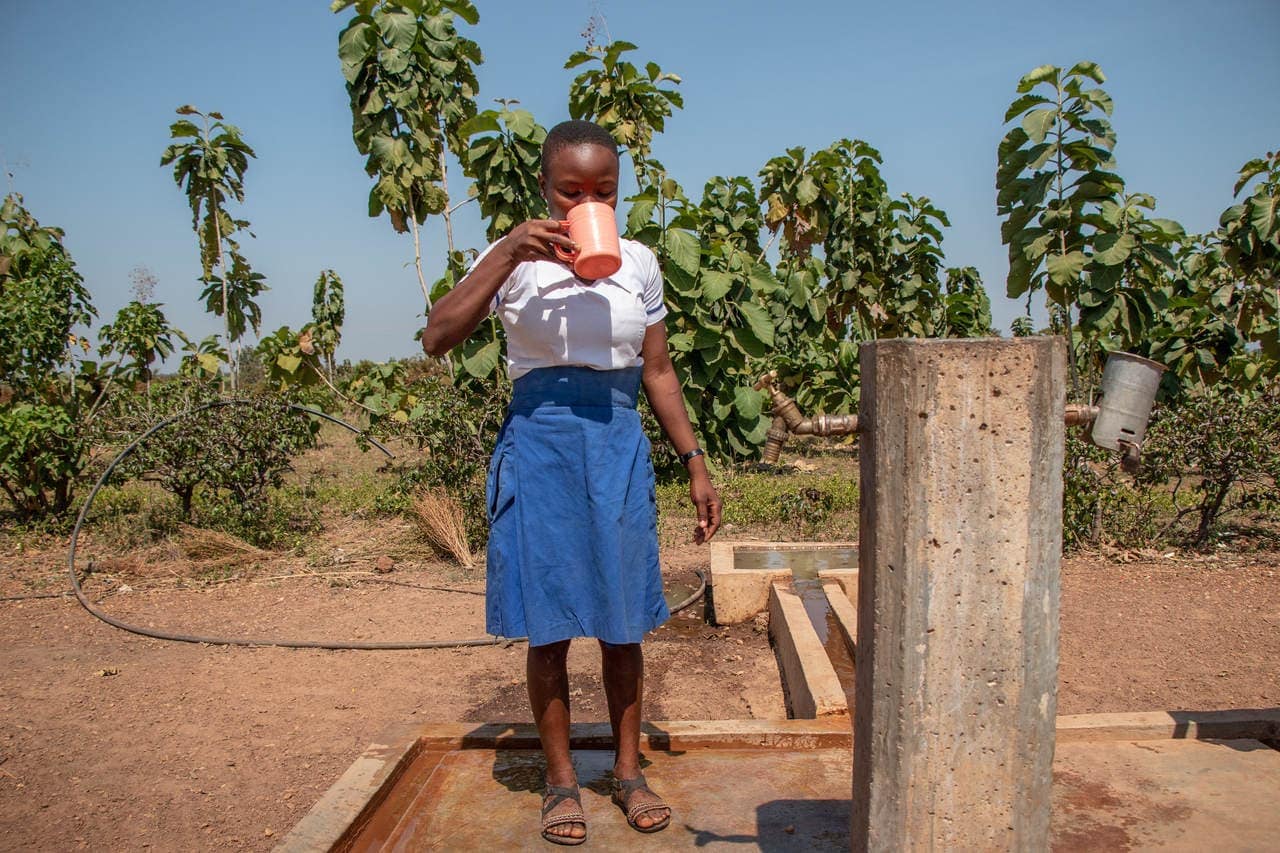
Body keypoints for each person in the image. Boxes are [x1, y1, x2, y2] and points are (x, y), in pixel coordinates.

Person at [420, 119, 722, 845]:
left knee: (622, 625)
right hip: (542, 442)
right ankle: (560, 782)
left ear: (618, 193)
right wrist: (506, 255)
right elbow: (436, 335)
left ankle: (626, 769)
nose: (586, 201)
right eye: (570, 190)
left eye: (602, 191)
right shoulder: (510, 260)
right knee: (549, 621)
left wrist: (695, 461)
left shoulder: (639, 263)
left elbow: (657, 371)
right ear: (544, 189)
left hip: (616, 444)